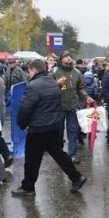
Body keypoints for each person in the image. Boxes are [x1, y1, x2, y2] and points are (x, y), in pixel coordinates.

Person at [12, 59, 88, 196]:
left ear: (34, 70)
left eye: (29, 71)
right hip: (53, 126)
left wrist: (22, 124)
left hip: (38, 128)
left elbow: (25, 109)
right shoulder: (53, 84)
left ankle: (28, 187)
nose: (28, 74)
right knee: (59, 154)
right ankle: (77, 177)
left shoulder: (33, 86)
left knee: (32, 159)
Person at [53, 51, 93, 164]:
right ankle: (59, 154)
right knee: (59, 131)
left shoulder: (77, 72)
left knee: (73, 130)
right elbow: (48, 86)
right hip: (59, 106)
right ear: (61, 59)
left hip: (74, 106)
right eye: (65, 56)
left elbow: (80, 88)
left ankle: (72, 154)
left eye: (70, 56)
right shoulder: (55, 71)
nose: (68, 58)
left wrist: (87, 97)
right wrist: (56, 83)